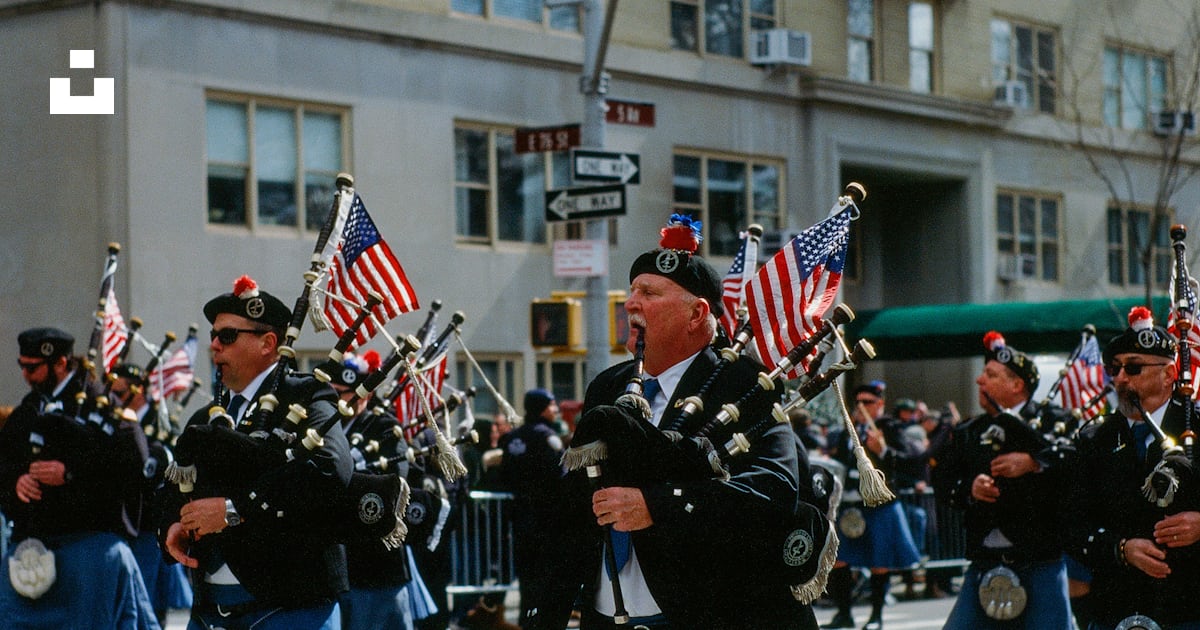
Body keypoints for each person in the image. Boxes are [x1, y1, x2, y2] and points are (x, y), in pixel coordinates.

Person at [527, 215, 827, 630]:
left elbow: (772, 490)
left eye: (649, 292)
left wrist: (658, 505)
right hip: (606, 618)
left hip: (706, 616)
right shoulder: (607, 386)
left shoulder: (743, 384)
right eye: (632, 291)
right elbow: (573, 509)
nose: (631, 303)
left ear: (695, 314)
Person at [158, 275, 352, 629]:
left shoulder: (307, 396)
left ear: (268, 343)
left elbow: (330, 470)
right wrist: (173, 525)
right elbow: (178, 486)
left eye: (228, 336)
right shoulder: (205, 419)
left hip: (290, 608)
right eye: (214, 335)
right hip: (209, 611)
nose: (215, 345)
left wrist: (234, 510)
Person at [0, 327, 159, 628]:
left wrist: (71, 473)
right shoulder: (29, 409)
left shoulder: (105, 406)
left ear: (60, 363)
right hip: (32, 549)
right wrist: (15, 482)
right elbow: (4, 463)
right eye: (22, 366)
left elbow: (132, 465)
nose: (25, 374)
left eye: (32, 367)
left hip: (91, 547)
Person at [1066, 307, 1200, 630]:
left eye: (1133, 367)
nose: (1120, 378)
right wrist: (1121, 549)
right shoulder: (1093, 438)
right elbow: (1072, 521)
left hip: (1188, 606)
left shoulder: (1195, 428)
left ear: (1169, 374)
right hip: (1116, 606)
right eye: (1115, 368)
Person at [931, 331, 1074, 629]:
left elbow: (1076, 465)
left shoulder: (1056, 422)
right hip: (984, 563)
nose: (979, 381)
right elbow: (942, 480)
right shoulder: (970, 430)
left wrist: (1034, 462)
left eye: (991, 375)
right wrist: (970, 488)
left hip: (1040, 563)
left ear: (1017, 384)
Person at [823, 381, 924, 630]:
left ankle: (876, 616)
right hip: (850, 502)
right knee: (838, 559)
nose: (860, 407)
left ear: (880, 404)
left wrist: (884, 450)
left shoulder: (891, 427)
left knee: (880, 561)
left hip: (879, 503)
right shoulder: (850, 430)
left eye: (867, 402)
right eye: (857, 403)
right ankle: (844, 614)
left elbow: (913, 462)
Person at [111, 362, 194, 625]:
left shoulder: (159, 423)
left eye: (120, 392)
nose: (115, 398)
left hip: (149, 527)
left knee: (147, 601)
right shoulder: (116, 422)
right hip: (123, 524)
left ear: (138, 390)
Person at [497, 388, 565, 626]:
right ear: (543, 408)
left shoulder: (512, 438)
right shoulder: (548, 438)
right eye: (553, 405)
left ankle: (527, 620)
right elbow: (561, 476)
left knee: (527, 576)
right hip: (547, 520)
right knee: (547, 576)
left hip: (520, 518)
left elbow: (503, 476)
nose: (556, 410)